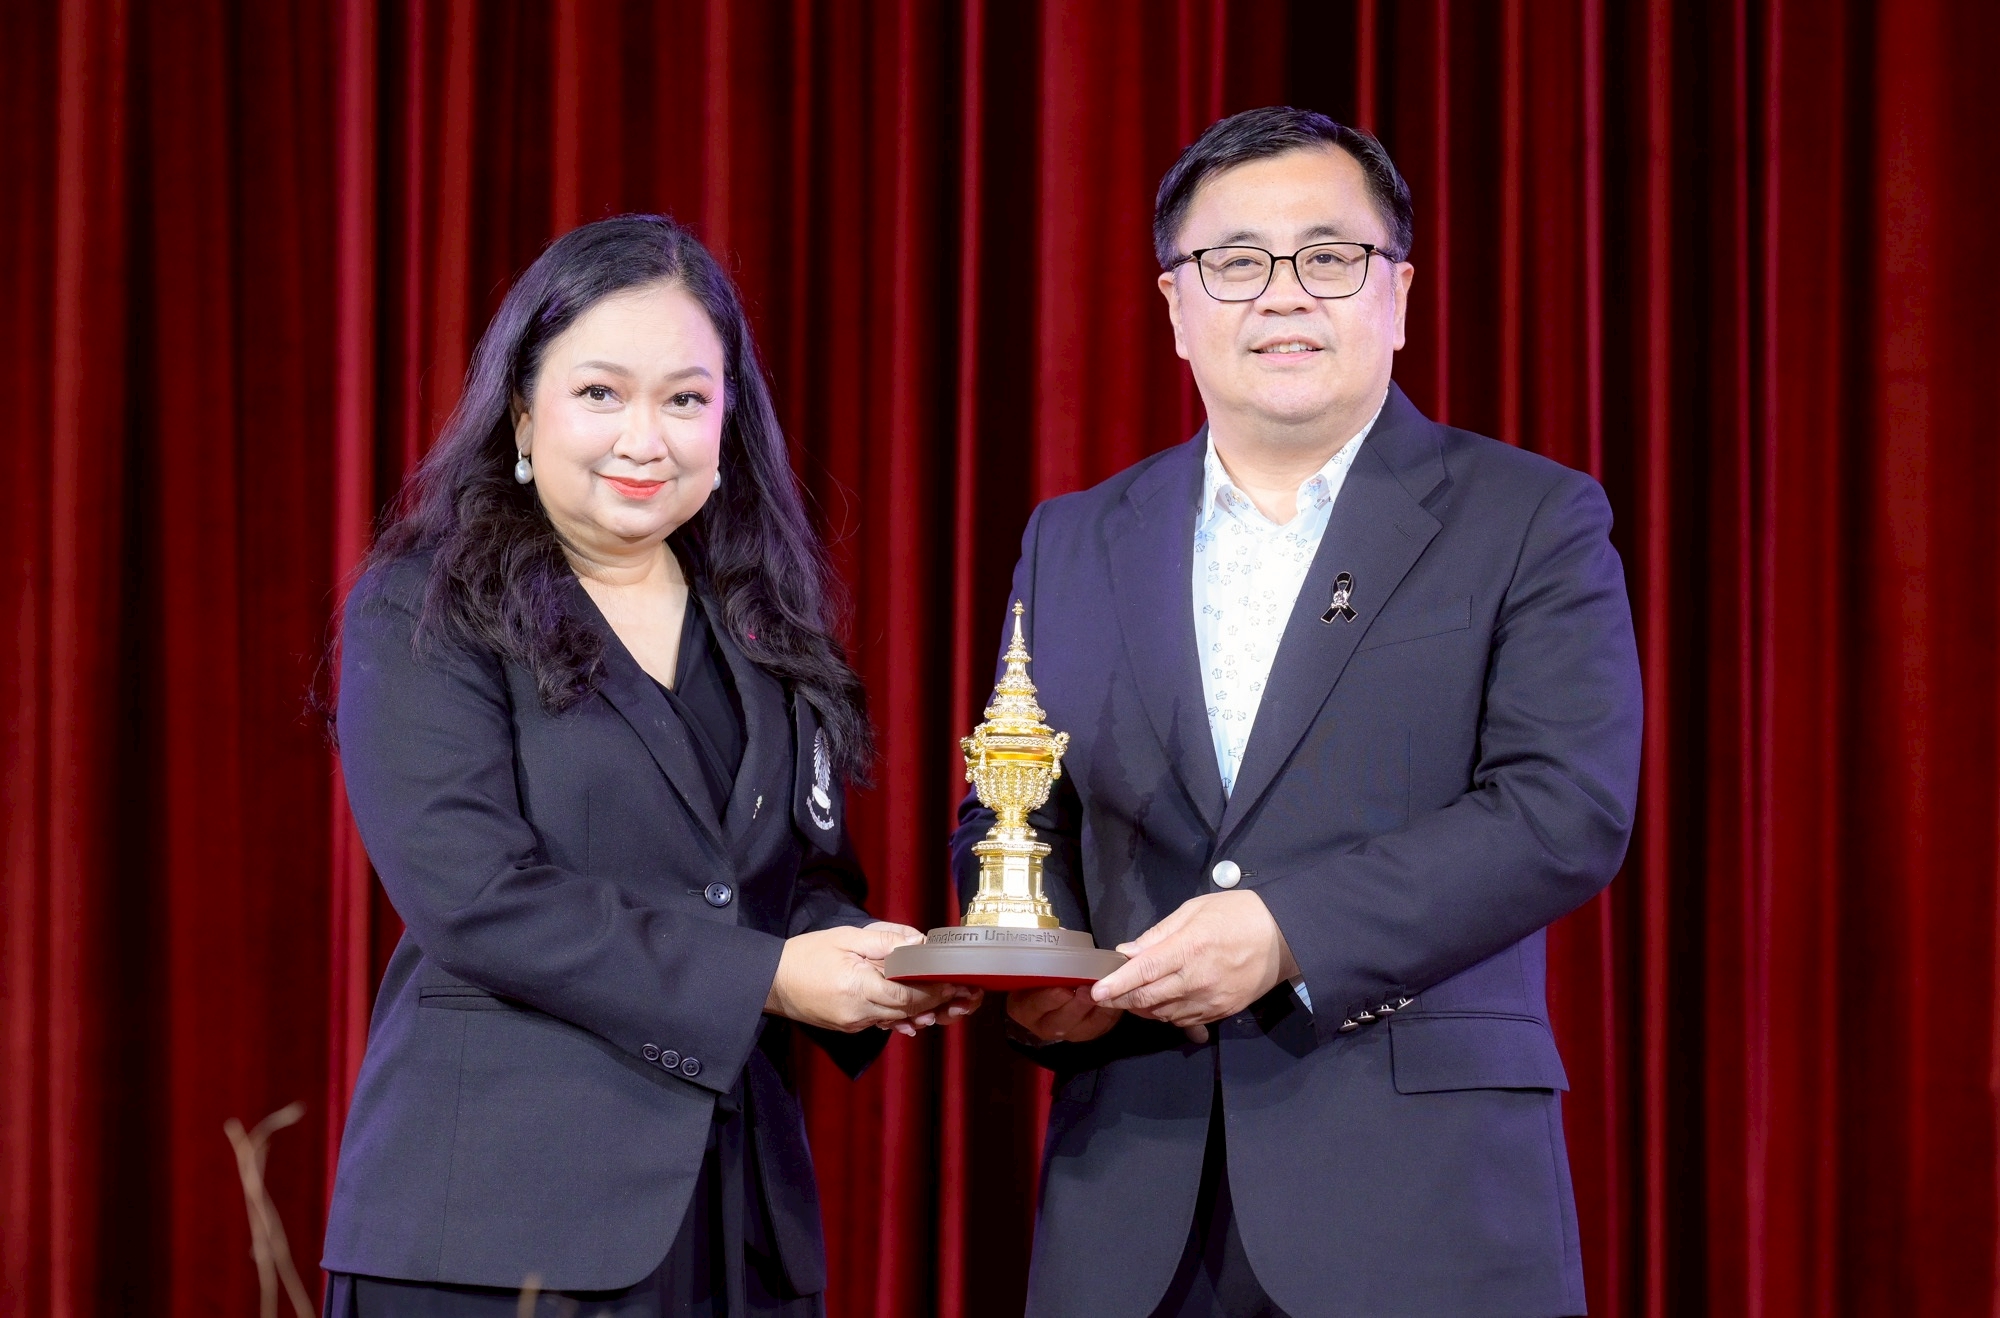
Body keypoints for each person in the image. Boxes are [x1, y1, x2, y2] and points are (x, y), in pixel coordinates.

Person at [952, 108, 1642, 1318]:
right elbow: (1012, 801)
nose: (1282, 294)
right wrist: (1034, 950)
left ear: (1398, 295)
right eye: (1234, 261)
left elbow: (1560, 811)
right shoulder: (1074, 536)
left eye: (1328, 257)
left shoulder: (1528, 515)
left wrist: (1284, 931)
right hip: (1132, 1193)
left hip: (1420, 1200)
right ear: (1174, 306)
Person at [323, 214, 975, 1316]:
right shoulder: (424, 606)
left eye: (684, 399)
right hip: (495, 1231)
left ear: (727, 423)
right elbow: (475, 898)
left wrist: (877, 960)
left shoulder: (763, 622)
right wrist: (770, 978)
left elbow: (792, 883)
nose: (645, 437)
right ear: (522, 411)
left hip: (735, 1221)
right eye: (600, 393)